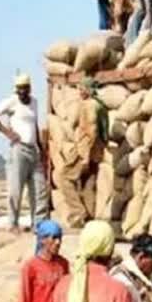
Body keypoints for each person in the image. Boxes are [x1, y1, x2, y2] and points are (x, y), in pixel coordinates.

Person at [0, 73, 50, 233]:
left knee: (39, 189)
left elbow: (34, 125)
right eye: (19, 89)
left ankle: (39, 224)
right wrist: (7, 132)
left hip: (33, 149)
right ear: (16, 90)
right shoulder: (12, 101)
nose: (22, 92)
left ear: (29, 88)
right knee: (16, 189)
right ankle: (13, 223)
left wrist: (41, 149)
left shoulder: (34, 102)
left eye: (25, 88)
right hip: (19, 149)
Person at [53, 77, 106, 228]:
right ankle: (89, 220)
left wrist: (84, 156)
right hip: (97, 152)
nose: (79, 92)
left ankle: (77, 213)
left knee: (64, 177)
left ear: (87, 90)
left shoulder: (88, 105)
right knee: (88, 186)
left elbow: (92, 130)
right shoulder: (100, 105)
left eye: (81, 89)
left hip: (84, 150)